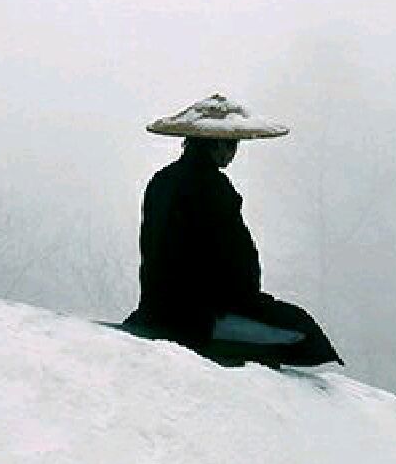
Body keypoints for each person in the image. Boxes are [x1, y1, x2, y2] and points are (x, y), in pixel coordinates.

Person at [123, 94, 343, 368]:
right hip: (199, 317)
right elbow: (230, 258)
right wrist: (246, 300)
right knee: (305, 335)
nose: (233, 152)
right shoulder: (212, 187)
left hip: (157, 307)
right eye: (231, 144)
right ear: (215, 144)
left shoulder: (161, 181)